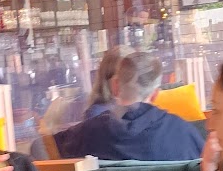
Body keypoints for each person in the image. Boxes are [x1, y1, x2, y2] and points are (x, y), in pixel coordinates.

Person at [56, 51, 205, 161]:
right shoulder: (184, 133)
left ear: (115, 86)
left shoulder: (86, 133)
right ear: (155, 94)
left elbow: (46, 149)